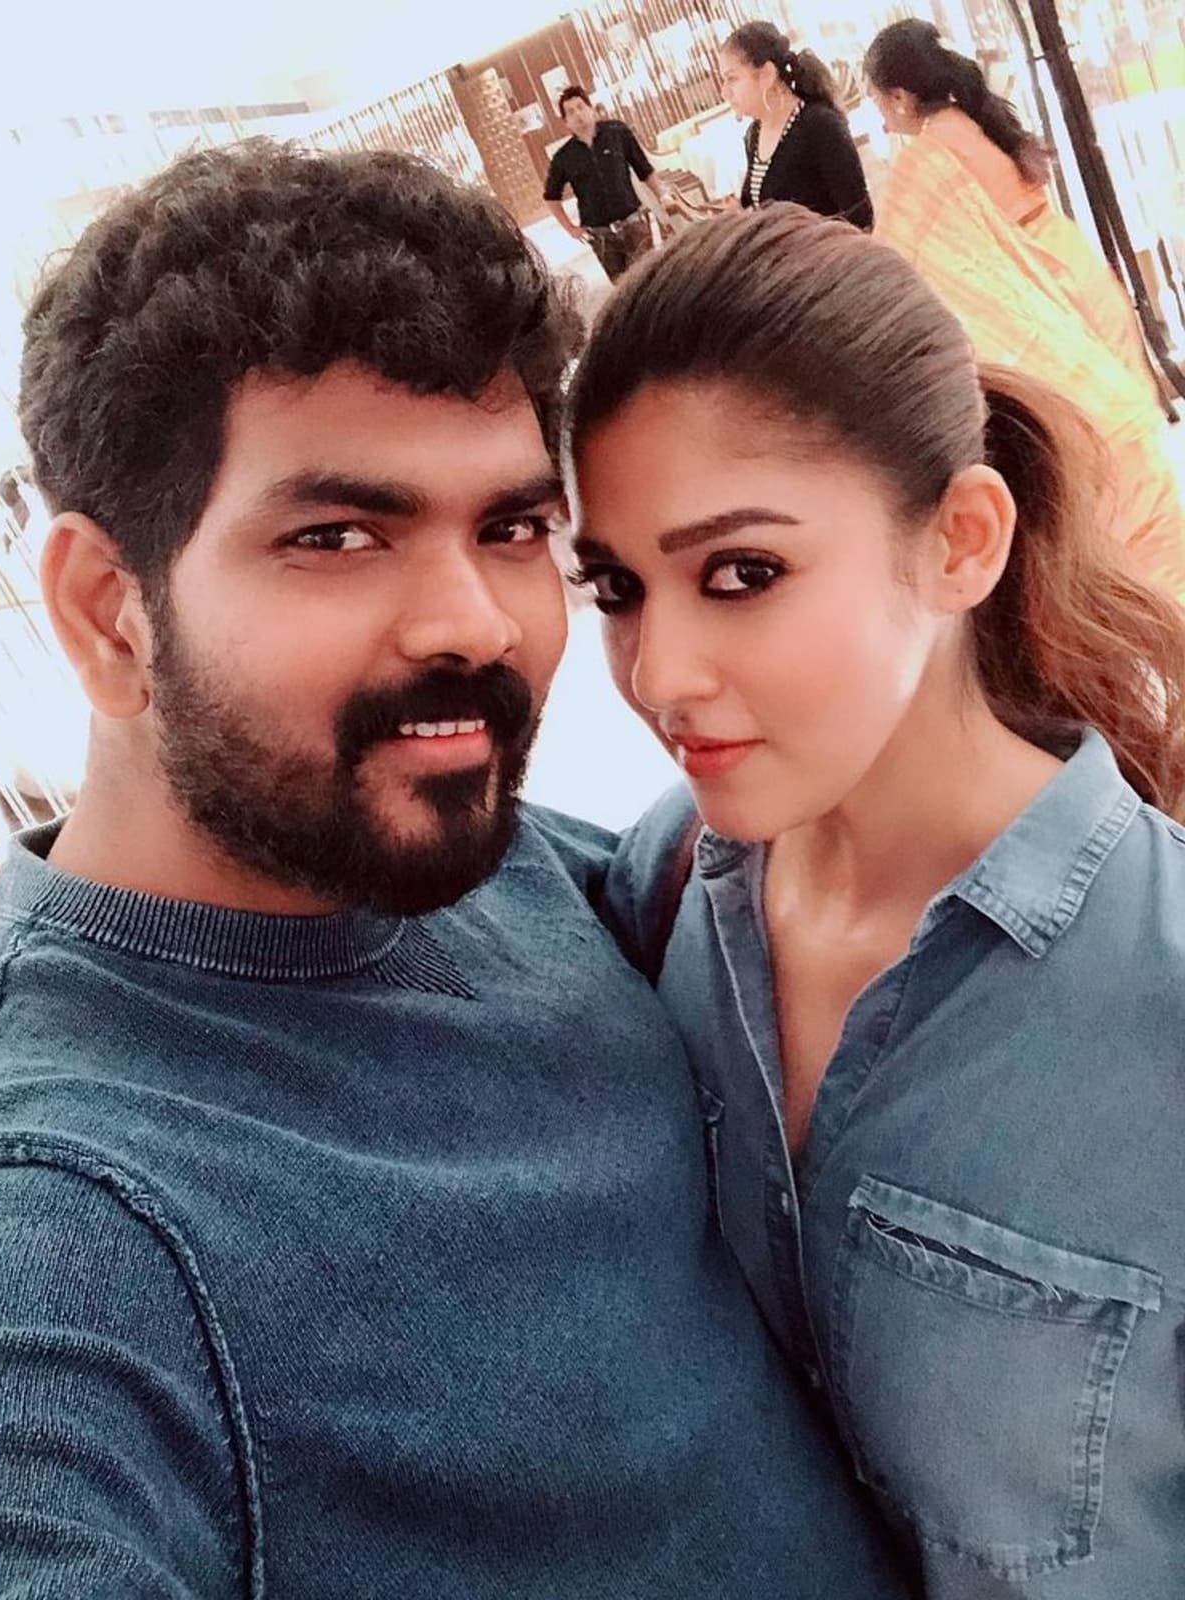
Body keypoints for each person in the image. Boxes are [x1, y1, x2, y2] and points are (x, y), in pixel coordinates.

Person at [0, 147, 910, 1599]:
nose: (475, 623)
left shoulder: (466, 862)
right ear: (108, 612)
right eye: (335, 536)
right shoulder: (50, 1221)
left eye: (510, 529)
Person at [565, 202, 1185, 1598]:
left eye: (742, 574)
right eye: (617, 587)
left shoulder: (1159, 1002)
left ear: (960, 540)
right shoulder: (662, 895)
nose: (660, 674)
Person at [865, 18, 1185, 599]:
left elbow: (899, 257)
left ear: (901, 96)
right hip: (1071, 271)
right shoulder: (978, 119)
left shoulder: (929, 156)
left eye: (878, 100)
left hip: (1036, 287)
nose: (881, 116)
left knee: (1091, 459)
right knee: (1123, 442)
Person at [717, 22, 872, 227]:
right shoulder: (754, 135)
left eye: (732, 79)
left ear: (766, 75)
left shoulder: (820, 125)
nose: (725, 92)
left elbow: (859, 216)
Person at [543, 86, 673, 281]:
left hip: (633, 223)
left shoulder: (617, 132)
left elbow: (644, 169)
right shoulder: (564, 157)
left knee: (652, 278)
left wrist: (663, 196)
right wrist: (570, 228)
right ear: (566, 122)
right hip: (601, 236)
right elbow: (551, 197)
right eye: (570, 112)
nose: (578, 114)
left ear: (591, 108)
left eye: (580, 107)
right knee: (622, 288)